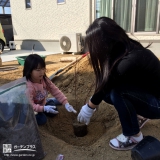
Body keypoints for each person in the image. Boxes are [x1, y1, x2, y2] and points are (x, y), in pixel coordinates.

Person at [77, 17, 160, 151]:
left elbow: (108, 83)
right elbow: (106, 84)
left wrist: (89, 107)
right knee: (108, 93)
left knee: (117, 92)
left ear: (104, 43)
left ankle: (133, 136)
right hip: (149, 94)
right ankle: (139, 116)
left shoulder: (130, 59)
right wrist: (92, 104)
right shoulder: (123, 48)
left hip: (157, 103)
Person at [23, 54, 77, 125]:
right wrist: (44, 109)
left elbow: (55, 90)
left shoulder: (44, 80)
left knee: (54, 111)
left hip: (42, 102)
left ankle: (50, 101)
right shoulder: (28, 87)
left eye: (43, 68)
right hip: (30, 108)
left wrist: (66, 103)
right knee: (42, 120)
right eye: (38, 70)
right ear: (29, 71)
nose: (42, 72)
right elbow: (30, 105)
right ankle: (49, 103)